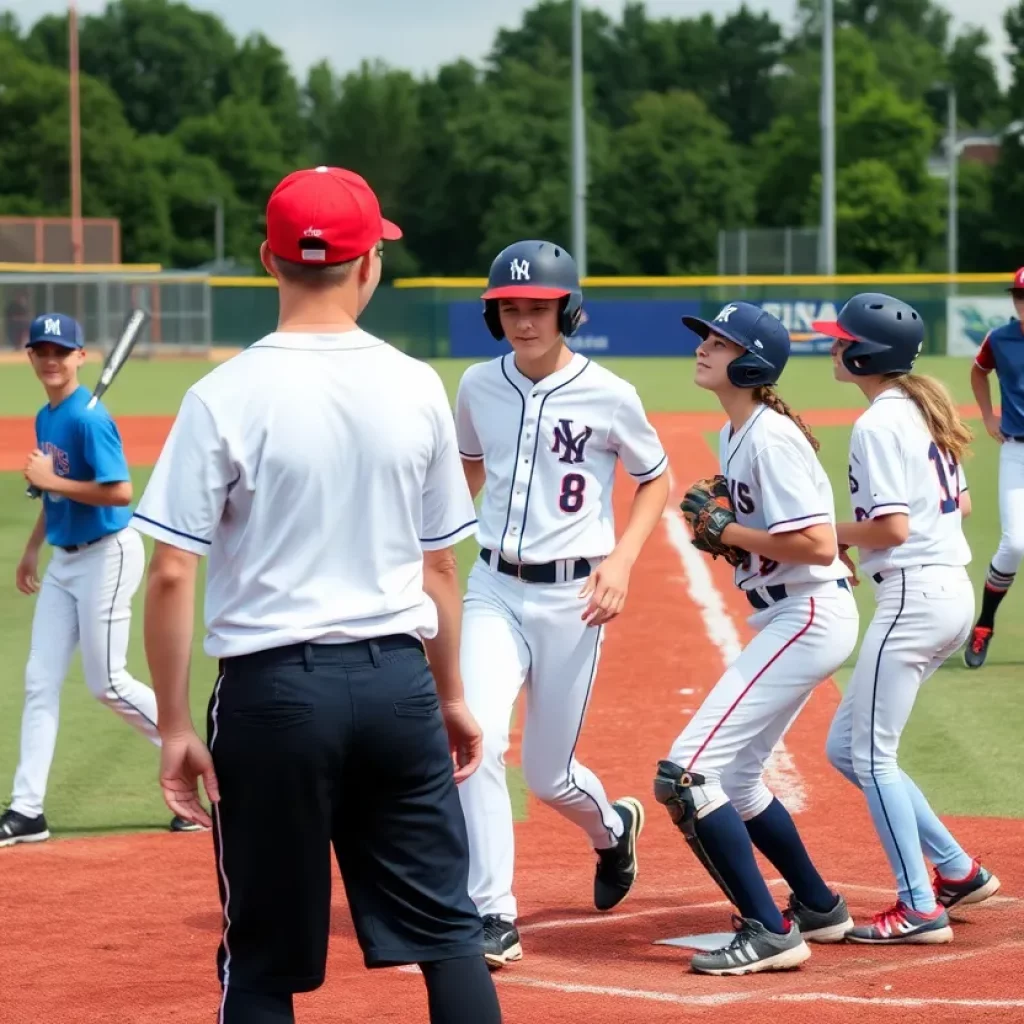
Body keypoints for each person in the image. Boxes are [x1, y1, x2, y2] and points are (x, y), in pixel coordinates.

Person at [129, 166, 502, 1024]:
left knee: (263, 960)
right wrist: (448, 693)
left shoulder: (221, 394)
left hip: (273, 695)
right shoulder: (416, 387)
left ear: (268, 260)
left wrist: (179, 724)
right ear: (371, 264)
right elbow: (438, 568)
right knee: (448, 936)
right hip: (397, 686)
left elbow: (174, 570)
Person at [453, 239, 670, 968]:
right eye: (509, 308)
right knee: (477, 739)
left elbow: (656, 478)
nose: (522, 320)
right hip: (493, 587)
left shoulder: (610, 392)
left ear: (568, 309)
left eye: (537, 307)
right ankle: (493, 912)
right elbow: (466, 466)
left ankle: (612, 830)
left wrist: (623, 561)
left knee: (548, 776)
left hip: (576, 596)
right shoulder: (478, 386)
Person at [654, 302, 859, 977]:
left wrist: (730, 532)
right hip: (790, 612)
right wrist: (737, 541)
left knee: (688, 774)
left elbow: (821, 544)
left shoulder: (768, 437)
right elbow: (779, 543)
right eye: (706, 339)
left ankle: (768, 931)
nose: (703, 349)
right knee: (738, 780)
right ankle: (819, 906)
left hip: (806, 612)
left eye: (719, 342)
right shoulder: (738, 431)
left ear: (751, 362)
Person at [814, 294, 1001, 943]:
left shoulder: (878, 424)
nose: (833, 345)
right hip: (949, 591)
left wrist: (824, 533)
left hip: (914, 598)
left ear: (863, 353)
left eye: (841, 339)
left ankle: (919, 906)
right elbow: (966, 504)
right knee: (849, 747)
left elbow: (892, 528)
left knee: (869, 755)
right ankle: (956, 869)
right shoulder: (920, 408)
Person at [0, 312, 197, 848]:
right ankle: (27, 810)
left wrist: (50, 479)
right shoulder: (49, 415)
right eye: (41, 351)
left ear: (81, 357)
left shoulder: (89, 419)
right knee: (40, 680)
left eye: (60, 352)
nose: (50, 360)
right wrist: (32, 548)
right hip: (65, 561)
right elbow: (54, 493)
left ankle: (198, 764)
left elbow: (119, 492)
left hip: (107, 556)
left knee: (106, 681)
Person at [963, 267, 1024, 668]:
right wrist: (987, 416)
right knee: (1016, 543)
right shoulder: (1000, 338)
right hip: (1016, 450)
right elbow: (979, 371)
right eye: (1019, 296)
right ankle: (984, 624)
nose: (1022, 303)